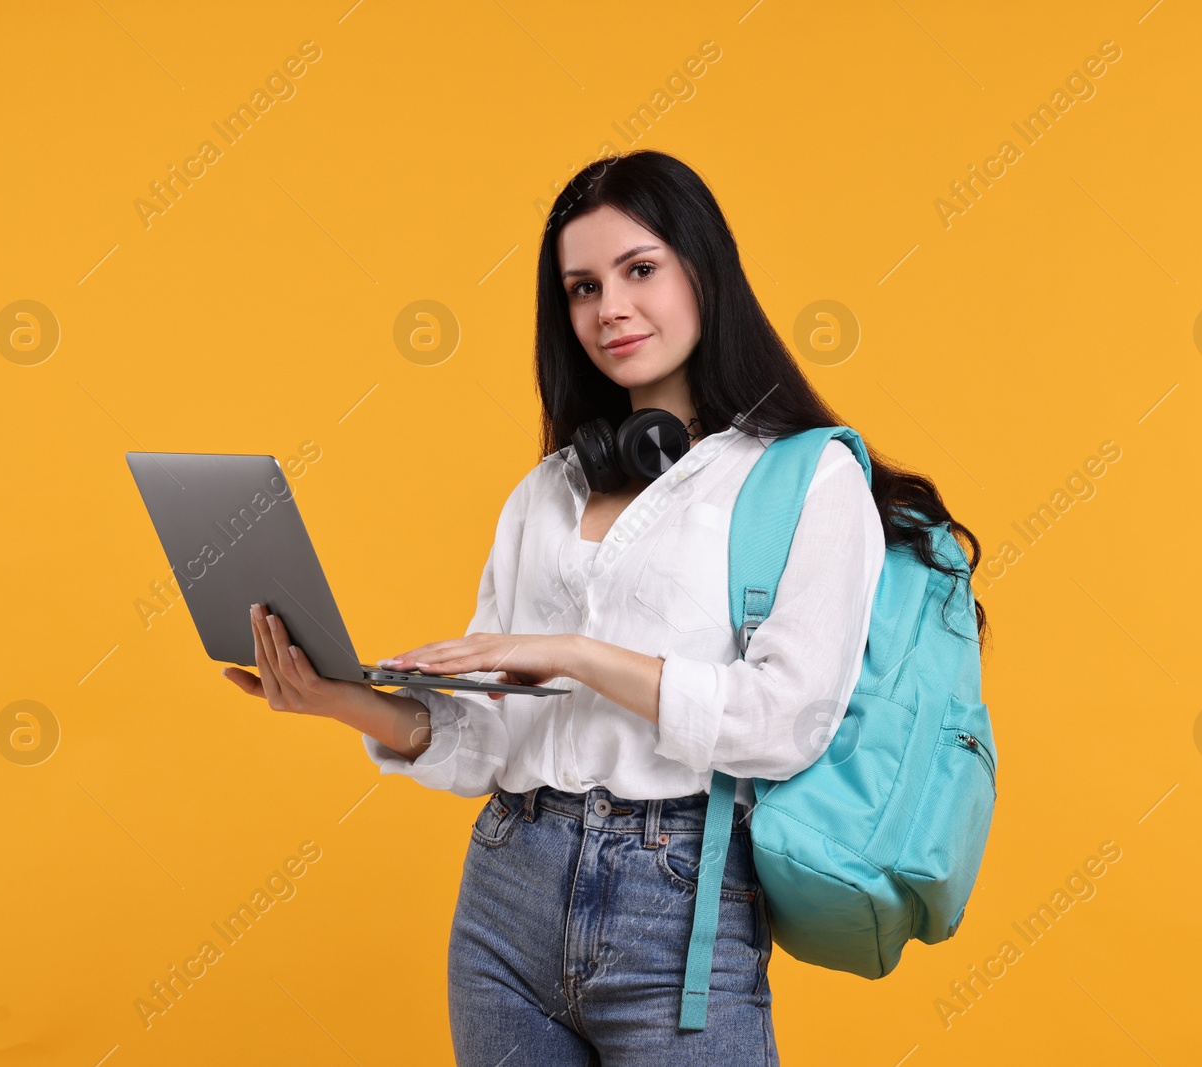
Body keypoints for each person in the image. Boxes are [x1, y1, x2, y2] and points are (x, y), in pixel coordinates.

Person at [222, 149, 988, 1065]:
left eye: (639, 269)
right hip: (508, 892)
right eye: (582, 287)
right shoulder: (544, 494)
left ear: (703, 269)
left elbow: (782, 721)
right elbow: (489, 745)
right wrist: (336, 696)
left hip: (678, 900)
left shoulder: (804, 479)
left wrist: (577, 655)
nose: (609, 308)